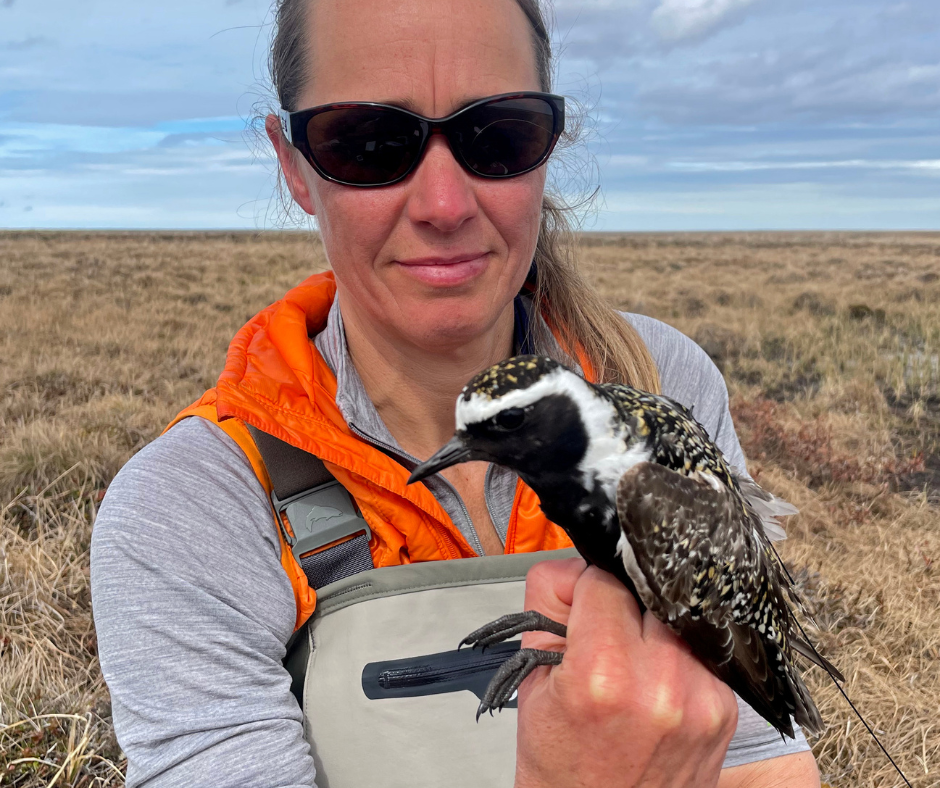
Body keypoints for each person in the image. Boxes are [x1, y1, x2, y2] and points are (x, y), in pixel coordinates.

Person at [90, 0, 822, 786]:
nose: (444, 206)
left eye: (500, 137)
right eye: (368, 143)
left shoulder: (660, 377)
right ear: (294, 165)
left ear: (550, 146)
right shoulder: (191, 506)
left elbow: (757, 755)